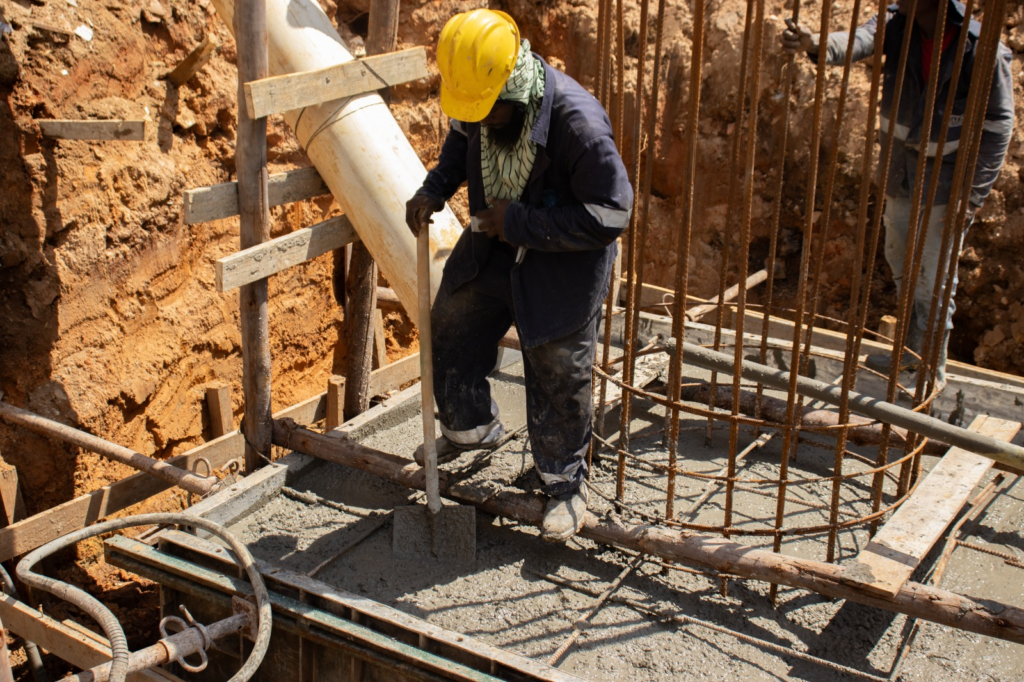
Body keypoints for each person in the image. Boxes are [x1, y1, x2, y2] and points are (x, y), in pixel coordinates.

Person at [405, 9, 633, 543]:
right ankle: (471, 431)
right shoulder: (482, 96)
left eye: (490, 114)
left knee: (558, 363)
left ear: (514, 86)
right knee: (454, 318)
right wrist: (435, 187)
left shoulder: (578, 123)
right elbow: (463, 141)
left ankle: (564, 485)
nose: (480, 121)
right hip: (495, 242)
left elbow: (612, 214)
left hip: (561, 259)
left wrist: (522, 222)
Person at [781, 0, 1013, 386]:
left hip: (946, 184)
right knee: (901, 263)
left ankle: (927, 374)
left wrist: (970, 195)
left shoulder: (979, 47)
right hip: (900, 174)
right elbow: (859, 40)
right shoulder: (897, 24)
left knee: (933, 282)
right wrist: (815, 43)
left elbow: (999, 124)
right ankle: (909, 355)